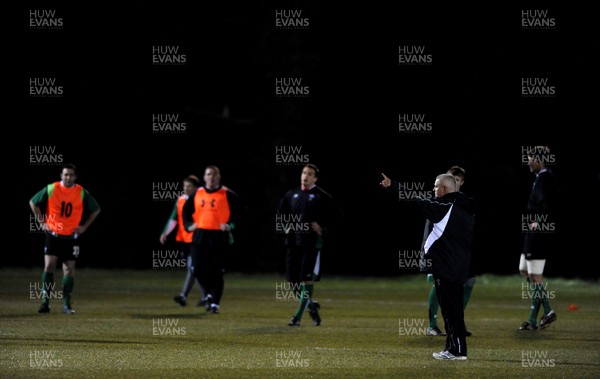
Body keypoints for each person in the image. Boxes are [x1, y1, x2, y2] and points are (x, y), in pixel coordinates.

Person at [381, 173, 475, 360]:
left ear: (445, 189)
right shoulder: (464, 206)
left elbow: (415, 200)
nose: (433, 190)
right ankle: (452, 348)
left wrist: (394, 185)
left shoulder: (444, 207)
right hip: (458, 265)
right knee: (452, 310)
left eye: (435, 186)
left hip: (447, 267)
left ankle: (457, 350)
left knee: (451, 311)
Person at [29, 163, 101, 314]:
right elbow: (33, 202)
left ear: (75, 177)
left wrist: (84, 227)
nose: (68, 177)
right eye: (66, 174)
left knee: (69, 269)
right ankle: (45, 304)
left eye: (71, 175)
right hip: (53, 234)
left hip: (71, 237)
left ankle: (67, 305)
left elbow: (96, 209)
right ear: (61, 176)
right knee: (49, 266)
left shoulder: (80, 192)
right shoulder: (52, 188)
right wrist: (42, 222)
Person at [278, 163, 341, 327]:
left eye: (310, 174)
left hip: (311, 244)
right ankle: (312, 307)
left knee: (306, 279)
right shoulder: (292, 194)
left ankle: (297, 317)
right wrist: (286, 226)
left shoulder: (322, 196)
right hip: (293, 242)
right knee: (292, 281)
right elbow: (280, 212)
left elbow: (338, 215)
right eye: (304, 173)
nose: (305, 176)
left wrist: (323, 229)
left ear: (315, 178)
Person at [182, 166, 240, 314]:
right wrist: (189, 226)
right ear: (204, 177)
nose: (211, 177)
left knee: (217, 271)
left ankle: (215, 303)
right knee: (196, 267)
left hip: (218, 237)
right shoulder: (197, 193)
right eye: (209, 174)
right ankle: (208, 294)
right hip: (200, 235)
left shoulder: (227, 193)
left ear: (219, 177)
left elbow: (241, 213)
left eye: (214, 174)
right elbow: (186, 212)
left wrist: (230, 225)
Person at [426, 166, 476, 337]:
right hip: (442, 254)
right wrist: (425, 256)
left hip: (460, 255)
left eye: (457, 180)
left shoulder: (465, 202)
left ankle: (456, 323)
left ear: (461, 182)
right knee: (439, 283)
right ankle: (433, 324)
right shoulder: (439, 201)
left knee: (469, 282)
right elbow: (430, 229)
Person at [518, 146, 559, 330]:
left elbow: (549, 204)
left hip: (538, 232)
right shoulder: (540, 178)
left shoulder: (545, 178)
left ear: (540, 160)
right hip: (533, 232)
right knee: (524, 270)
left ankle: (540, 316)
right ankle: (542, 315)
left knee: (534, 275)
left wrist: (539, 222)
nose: (528, 162)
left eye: (531, 159)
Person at [159, 175, 207, 307]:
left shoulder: (201, 200)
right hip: (183, 240)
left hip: (197, 239)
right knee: (193, 269)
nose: (186, 188)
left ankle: (184, 296)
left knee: (192, 267)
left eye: (189, 186)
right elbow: (173, 218)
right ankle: (206, 297)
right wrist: (165, 233)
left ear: (196, 188)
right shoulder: (180, 200)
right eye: (184, 186)